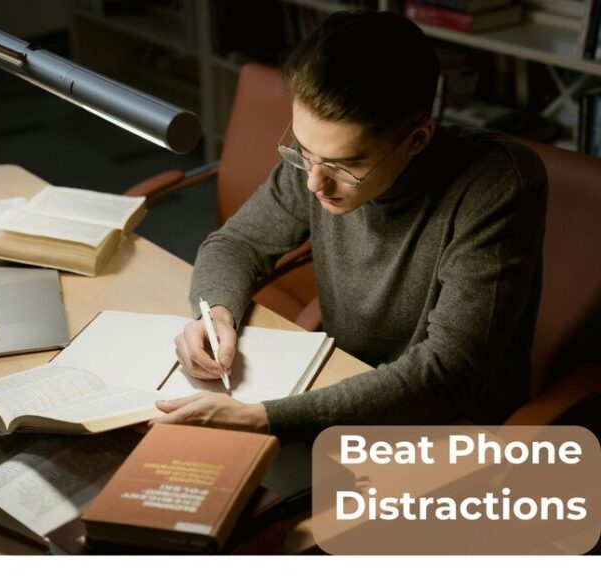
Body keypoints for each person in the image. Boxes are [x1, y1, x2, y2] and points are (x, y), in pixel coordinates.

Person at [150, 10, 547, 441]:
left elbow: (449, 375)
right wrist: (215, 315)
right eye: (303, 152)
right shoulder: (318, 161)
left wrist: (263, 418)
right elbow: (236, 242)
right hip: (341, 381)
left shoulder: (497, 183)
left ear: (417, 139)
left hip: (446, 427)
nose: (314, 183)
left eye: (344, 165)